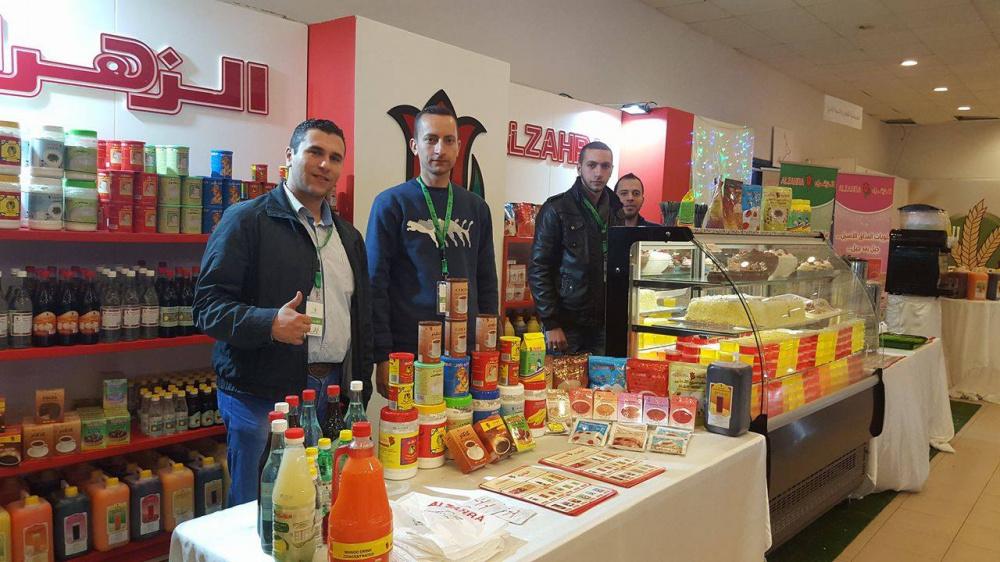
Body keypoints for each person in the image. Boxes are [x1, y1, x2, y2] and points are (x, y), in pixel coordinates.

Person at [193, 118, 374, 505]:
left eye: (335, 158)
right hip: (263, 396)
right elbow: (207, 306)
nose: (325, 164)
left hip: (331, 394)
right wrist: (268, 323)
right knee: (256, 509)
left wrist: (361, 384)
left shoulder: (348, 237)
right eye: (315, 152)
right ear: (290, 156)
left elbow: (362, 318)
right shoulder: (246, 220)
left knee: (318, 503)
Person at [367, 105, 499, 397]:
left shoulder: (477, 207)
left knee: (463, 423)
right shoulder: (391, 203)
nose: (440, 149)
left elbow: (487, 281)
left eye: (448, 140)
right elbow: (375, 284)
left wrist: (489, 345)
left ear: (459, 146)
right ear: (414, 145)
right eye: (430, 139)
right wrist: (382, 354)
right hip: (408, 350)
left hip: (465, 349)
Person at [529, 141, 624, 355]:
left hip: (605, 322)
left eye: (605, 166)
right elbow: (538, 268)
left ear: (611, 170)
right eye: (592, 165)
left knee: (604, 377)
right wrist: (551, 322)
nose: (598, 172)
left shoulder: (617, 210)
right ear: (579, 168)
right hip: (566, 323)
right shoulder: (556, 208)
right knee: (564, 377)